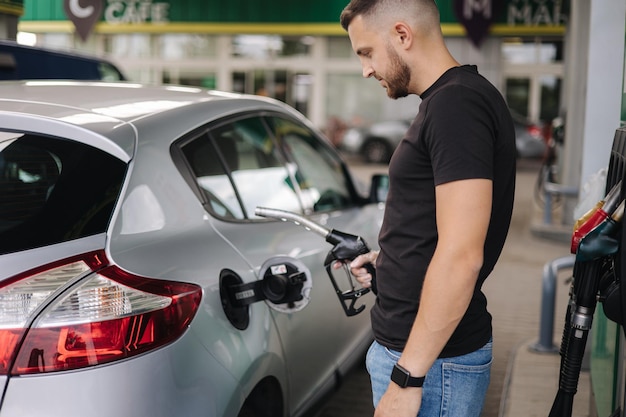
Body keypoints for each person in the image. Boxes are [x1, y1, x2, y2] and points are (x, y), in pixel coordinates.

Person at [338, 1, 516, 416]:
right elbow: (443, 232)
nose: (366, 70)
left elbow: (461, 257)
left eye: (366, 52)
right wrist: (390, 262)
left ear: (402, 35)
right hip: (422, 357)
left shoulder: (457, 106)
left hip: (431, 366)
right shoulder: (449, 102)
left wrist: (407, 378)